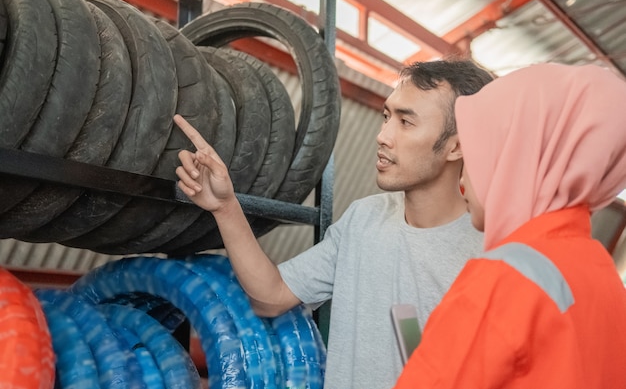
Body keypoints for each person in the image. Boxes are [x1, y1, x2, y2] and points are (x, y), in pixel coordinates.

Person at [174, 59, 494, 388]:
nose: (383, 136)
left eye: (406, 122)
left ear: (456, 146)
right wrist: (226, 206)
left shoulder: (490, 254)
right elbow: (272, 296)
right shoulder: (364, 219)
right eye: (387, 116)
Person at [393, 63, 626, 388]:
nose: (463, 180)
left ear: (516, 159)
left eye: (476, 158)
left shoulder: (503, 278)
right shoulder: (603, 276)